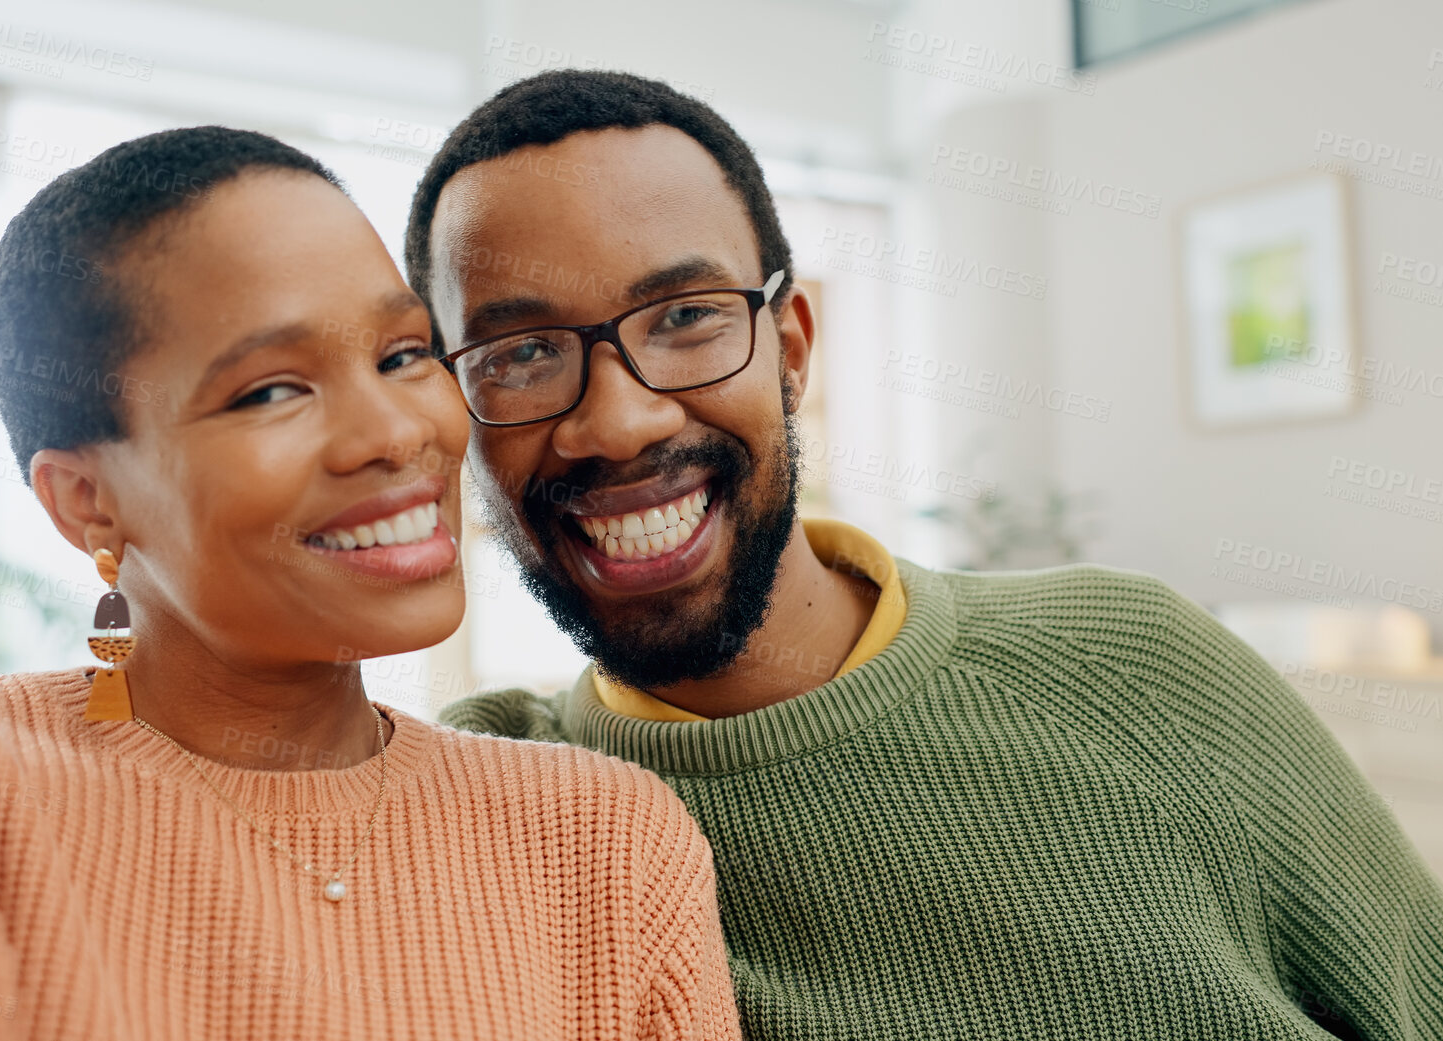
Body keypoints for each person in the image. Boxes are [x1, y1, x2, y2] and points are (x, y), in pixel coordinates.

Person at [0, 126, 741, 1041]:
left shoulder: (604, 842)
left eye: (403, 352)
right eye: (269, 389)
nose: (395, 432)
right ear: (84, 501)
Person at [402, 70, 1443, 1040]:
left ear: (793, 351)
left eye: (685, 317)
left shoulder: (1135, 664)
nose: (620, 422)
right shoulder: (490, 815)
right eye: (522, 354)